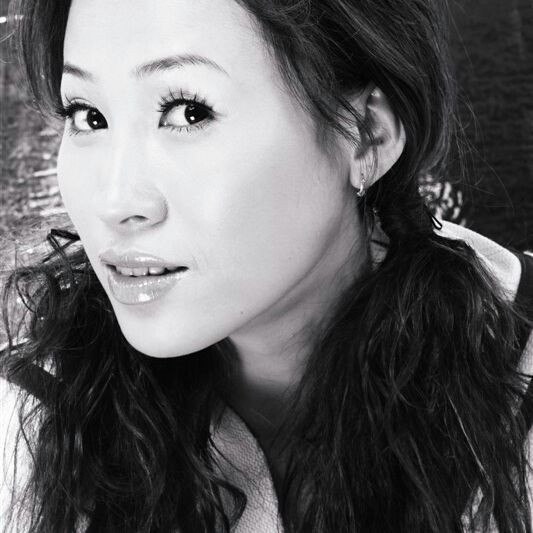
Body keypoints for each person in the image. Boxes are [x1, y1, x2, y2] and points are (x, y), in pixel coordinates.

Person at [0, 0, 532, 531]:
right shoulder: (33, 411)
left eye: (188, 112)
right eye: (87, 116)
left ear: (367, 133)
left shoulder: (512, 394)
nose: (114, 203)